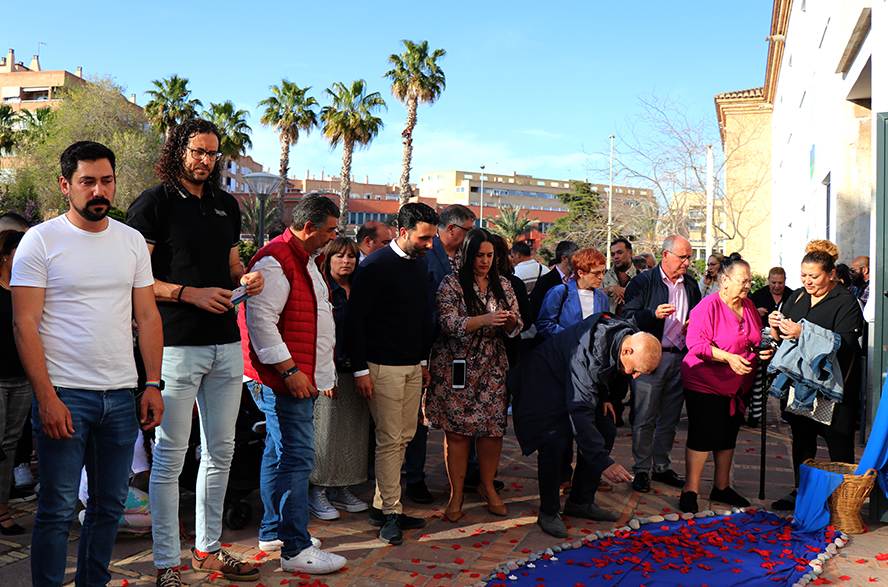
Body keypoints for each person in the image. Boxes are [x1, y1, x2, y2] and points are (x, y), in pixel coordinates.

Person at [13, 141, 164, 587]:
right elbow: (25, 325)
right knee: (57, 510)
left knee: (108, 508)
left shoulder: (132, 240)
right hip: (64, 396)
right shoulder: (40, 240)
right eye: (87, 181)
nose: (99, 190)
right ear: (66, 185)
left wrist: (151, 383)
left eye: (107, 180)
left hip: (120, 397)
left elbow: (149, 316)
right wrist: (46, 398)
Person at [126, 118, 265, 585]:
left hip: (227, 344)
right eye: (198, 151)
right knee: (170, 456)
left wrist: (244, 278)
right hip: (175, 345)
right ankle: (167, 562)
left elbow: (230, 265)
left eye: (213, 153)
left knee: (221, 451)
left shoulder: (227, 204)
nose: (206, 160)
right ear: (178, 150)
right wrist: (189, 293)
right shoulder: (153, 203)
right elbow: (136, 277)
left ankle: (207, 550)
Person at [239, 194, 346, 574]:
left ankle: (275, 531)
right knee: (296, 457)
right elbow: (261, 322)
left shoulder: (303, 260)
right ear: (307, 228)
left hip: (295, 377)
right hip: (285, 379)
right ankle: (295, 548)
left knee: (280, 453)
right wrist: (289, 371)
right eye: (330, 230)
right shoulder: (277, 260)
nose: (334, 238)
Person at [509, 313, 661, 538]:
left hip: (570, 382)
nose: (636, 377)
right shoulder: (587, 355)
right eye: (635, 370)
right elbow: (579, 410)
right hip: (541, 384)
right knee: (554, 441)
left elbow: (605, 373)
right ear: (627, 351)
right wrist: (603, 463)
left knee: (606, 429)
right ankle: (548, 512)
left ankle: (580, 501)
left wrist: (604, 397)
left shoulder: (624, 335)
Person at [344, 202, 438, 545]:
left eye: (432, 238)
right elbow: (355, 322)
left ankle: (381, 507)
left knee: (404, 436)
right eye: (424, 238)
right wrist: (360, 370)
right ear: (402, 232)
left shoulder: (419, 264)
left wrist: (423, 362)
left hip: (412, 366)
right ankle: (391, 513)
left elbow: (420, 317)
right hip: (381, 368)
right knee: (389, 440)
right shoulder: (374, 267)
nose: (430, 244)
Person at [424, 228, 522, 523]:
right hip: (458, 365)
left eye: (490, 255)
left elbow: (517, 327)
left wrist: (510, 320)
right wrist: (485, 319)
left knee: (492, 431)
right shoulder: (451, 283)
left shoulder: (503, 284)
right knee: (457, 433)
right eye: (479, 255)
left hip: (492, 365)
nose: (485, 261)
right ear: (468, 255)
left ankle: (488, 485)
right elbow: (448, 323)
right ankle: (456, 493)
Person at [768, 240, 864, 511]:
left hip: (832, 387)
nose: (807, 281)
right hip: (800, 386)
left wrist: (804, 334)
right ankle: (802, 492)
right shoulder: (797, 296)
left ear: (831, 274)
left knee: (837, 441)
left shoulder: (845, 301)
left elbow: (845, 344)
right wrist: (776, 327)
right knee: (802, 439)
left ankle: (843, 501)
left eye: (814, 276)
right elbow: (782, 340)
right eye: (803, 275)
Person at [679, 253, 775, 513]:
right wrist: (728, 358)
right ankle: (691, 488)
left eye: (749, 281)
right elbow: (696, 345)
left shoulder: (750, 306)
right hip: (705, 381)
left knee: (728, 433)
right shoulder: (707, 307)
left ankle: (721, 486)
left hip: (738, 385)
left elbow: (755, 338)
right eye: (742, 281)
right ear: (724, 281)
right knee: (702, 434)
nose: (747, 286)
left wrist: (764, 349)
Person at [404, 204, 476, 505]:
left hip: (461, 351)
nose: (471, 236)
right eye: (468, 230)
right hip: (427, 348)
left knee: (463, 410)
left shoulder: (467, 258)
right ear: (452, 229)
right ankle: (414, 477)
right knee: (420, 416)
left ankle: (468, 473)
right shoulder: (424, 256)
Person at [623, 235, 702, 493]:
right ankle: (642, 469)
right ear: (665, 255)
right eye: (682, 257)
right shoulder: (643, 282)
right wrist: (652, 315)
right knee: (645, 416)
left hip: (680, 356)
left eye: (689, 257)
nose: (687, 262)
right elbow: (627, 319)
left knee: (670, 418)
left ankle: (662, 467)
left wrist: (694, 325)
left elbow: (699, 315)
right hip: (650, 358)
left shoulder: (690, 285)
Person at [308, 237, 371, 519]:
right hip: (328, 371)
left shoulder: (360, 289)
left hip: (357, 369)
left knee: (352, 433)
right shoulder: (322, 290)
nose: (346, 261)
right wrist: (325, 374)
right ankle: (318, 491)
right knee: (326, 433)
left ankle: (342, 487)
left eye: (351, 256)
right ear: (328, 259)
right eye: (340, 256)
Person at [0, 230, 33, 535]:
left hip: (23, 377)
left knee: (10, 444)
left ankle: (2, 510)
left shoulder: (27, 288)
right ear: (6, 254)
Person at [537, 248, 610, 340]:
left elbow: (606, 323)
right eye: (596, 273)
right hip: (567, 350)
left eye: (603, 272)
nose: (602, 277)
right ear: (580, 273)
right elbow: (544, 324)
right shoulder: (559, 292)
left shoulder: (602, 297)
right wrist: (570, 337)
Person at [493, 235, 531, 367]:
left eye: (488, 254)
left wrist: (513, 323)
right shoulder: (462, 282)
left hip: (508, 350)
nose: (483, 260)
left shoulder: (513, 283)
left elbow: (526, 319)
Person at [529, 240, 580, 324]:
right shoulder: (545, 282)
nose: (579, 261)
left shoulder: (578, 279)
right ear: (564, 259)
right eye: (576, 258)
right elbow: (535, 312)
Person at [601, 238, 638, 316]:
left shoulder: (642, 276)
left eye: (619, 252)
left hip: (634, 324)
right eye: (613, 254)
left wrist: (629, 292)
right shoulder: (603, 276)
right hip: (609, 325)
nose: (616, 257)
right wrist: (610, 289)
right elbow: (590, 295)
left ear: (630, 253)